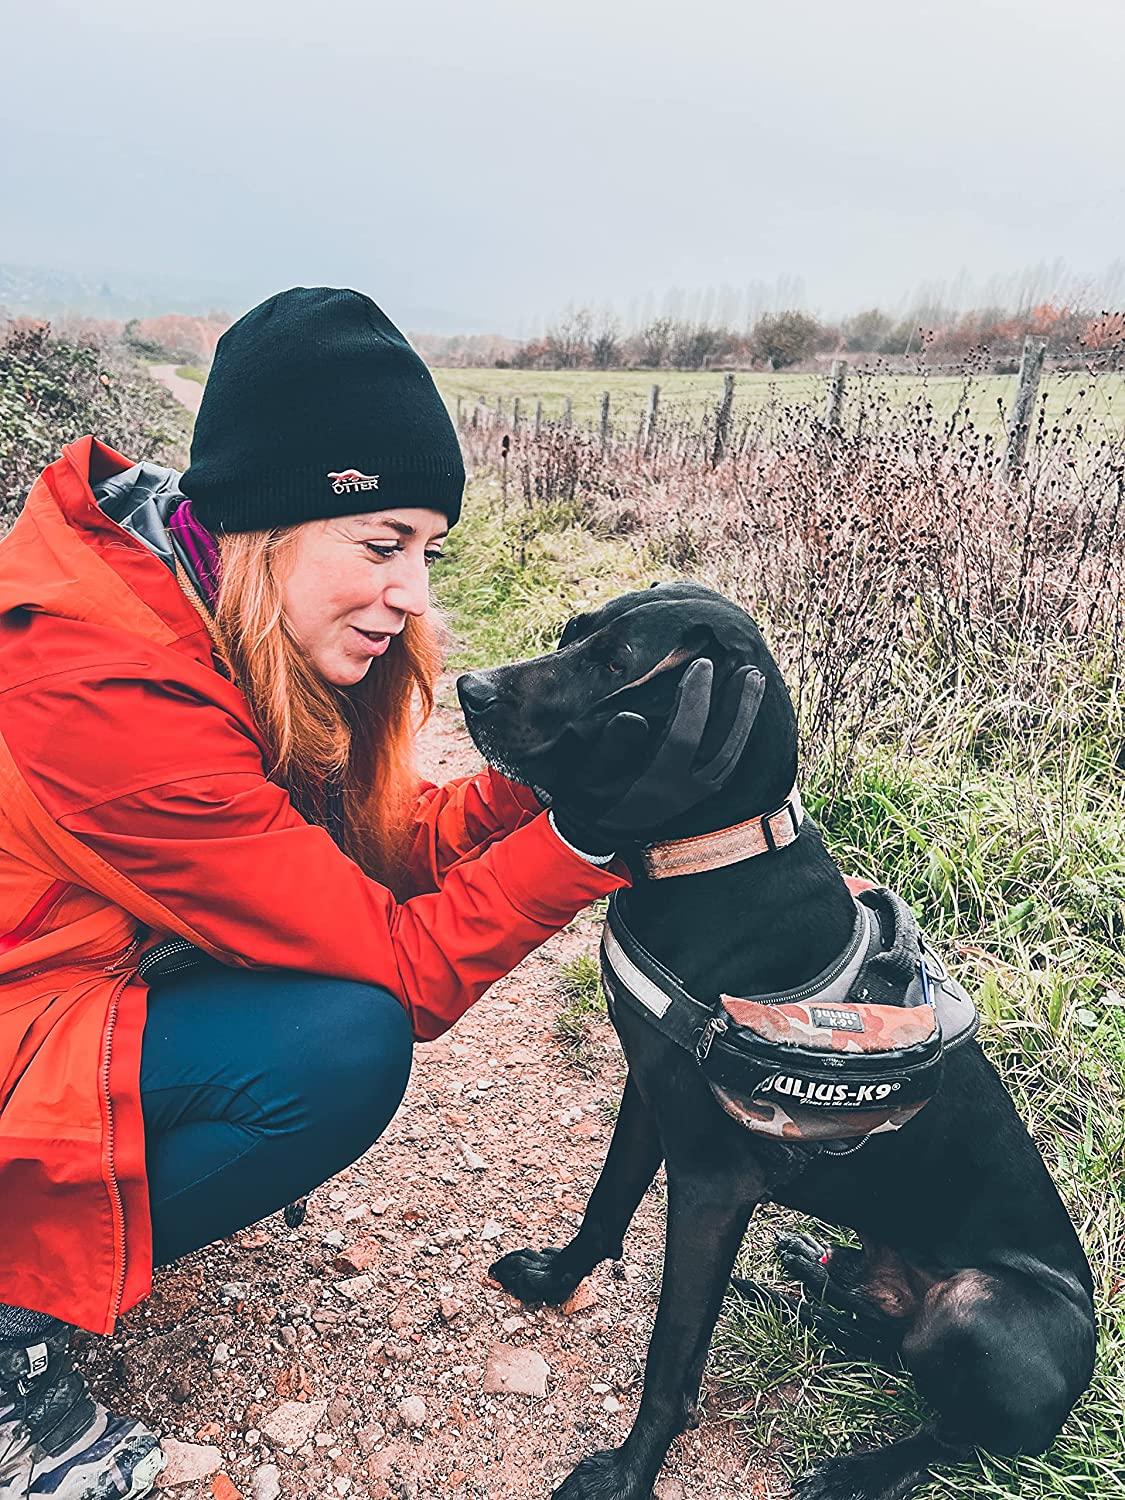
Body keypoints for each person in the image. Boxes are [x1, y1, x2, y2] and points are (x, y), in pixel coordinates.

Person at [0, 288, 752, 1500]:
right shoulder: (112, 692)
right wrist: (597, 835)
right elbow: (399, 969)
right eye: (381, 541)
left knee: (306, 992)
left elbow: (376, 840)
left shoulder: (213, 614)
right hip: (19, 998)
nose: (411, 592)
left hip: (77, 965)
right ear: (270, 518)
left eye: (428, 552)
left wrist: (546, 784)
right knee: (337, 1046)